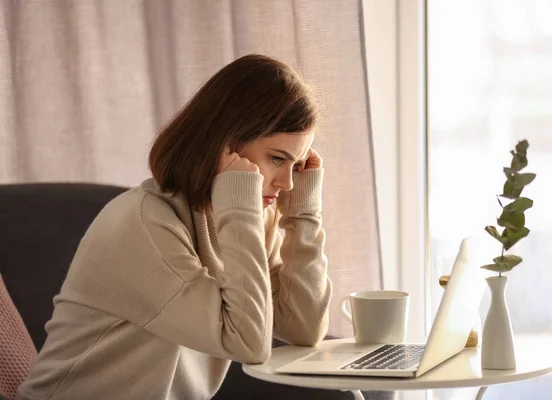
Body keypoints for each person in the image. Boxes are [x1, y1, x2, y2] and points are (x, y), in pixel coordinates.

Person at [16, 54, 333, 400]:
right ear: (223, 145)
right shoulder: (143, 223)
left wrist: (303, 213)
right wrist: (241, 208)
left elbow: (304, 328)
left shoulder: (248, 216)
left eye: (298, 165)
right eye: (277, 159)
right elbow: (249, 343)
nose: (288, 182)